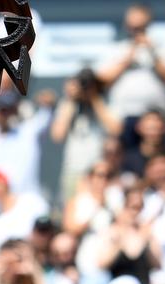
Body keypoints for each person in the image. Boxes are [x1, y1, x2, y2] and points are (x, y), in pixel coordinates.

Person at [95, 3, 165, 121]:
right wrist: (127, 59)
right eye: (134, 27)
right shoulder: (115, 48)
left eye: (141, 27)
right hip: (122, 116)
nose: (137, 31)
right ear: (127, 25)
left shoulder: (161, 47)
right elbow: (102, 80)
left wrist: (153, 53)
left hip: (157, 119)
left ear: (148, 24)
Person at [50, 67, 121, 201]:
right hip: (74, 170)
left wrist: (94, 97)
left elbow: (116, 129)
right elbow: (57, 135)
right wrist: (71, 99)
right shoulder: (68, 104)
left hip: (101, 172)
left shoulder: (106, 101)